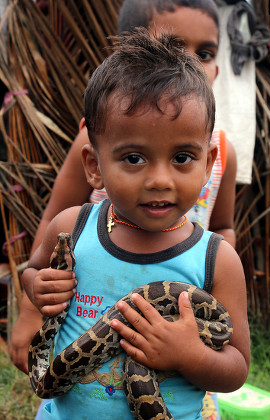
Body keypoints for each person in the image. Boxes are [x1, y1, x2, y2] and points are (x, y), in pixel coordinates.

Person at [22, 29, 250, 420]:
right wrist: (35, 285)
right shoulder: (72, 227)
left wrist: (189, 354)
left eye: (182, 157)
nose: (159, 179)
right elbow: (32, 272)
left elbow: (237, 368)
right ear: (94, 166)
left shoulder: (217, 260)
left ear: (209, 162)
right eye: (133, 158)